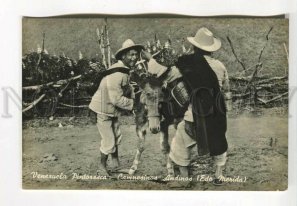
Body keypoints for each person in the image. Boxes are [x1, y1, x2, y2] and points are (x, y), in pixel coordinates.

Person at [141, 27, 232, 186]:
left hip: (195, 116)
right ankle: (218, 175)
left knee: (179, 144)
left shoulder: (188, 65)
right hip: (218, 115)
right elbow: (226, 90)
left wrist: (150, 59)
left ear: (195, 47)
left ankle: (184, 180)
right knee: (219, 141)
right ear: (211, 49)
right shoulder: (220, 66)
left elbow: (163, 72)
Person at [89, 39, 144, 175]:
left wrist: (134, 96)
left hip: (111, 110)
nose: (134, 57)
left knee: (116, 135)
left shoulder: (124, 71)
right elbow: (116, 99)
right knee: (109, 140)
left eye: (136, 54)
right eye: (131, 54)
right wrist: (135, 104)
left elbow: (127, 87)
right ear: (123, 56)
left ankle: (115, 165)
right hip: (103, 109)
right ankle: (101, 167)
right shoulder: (116, 73)